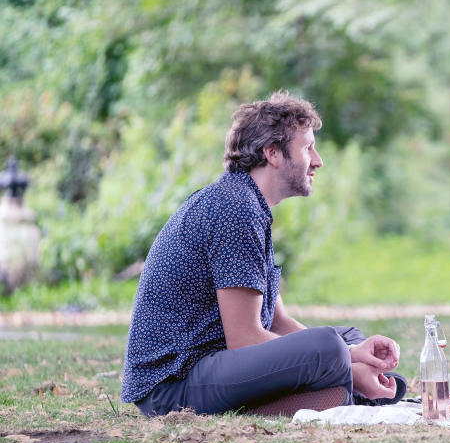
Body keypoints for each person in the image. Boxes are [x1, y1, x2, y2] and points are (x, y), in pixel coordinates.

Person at [121, 91, 406, 416]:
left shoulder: (248, 204)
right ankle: (346, 388)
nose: (317, 159)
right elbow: (244, 339)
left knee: (345, 339)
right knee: (327, 347)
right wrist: (342, 358)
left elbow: (278, 320)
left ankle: (339, 392)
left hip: (213, 368)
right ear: (272, 153)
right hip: (174, 384)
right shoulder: (236, 209)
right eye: (307, 147)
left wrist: (354, 350)